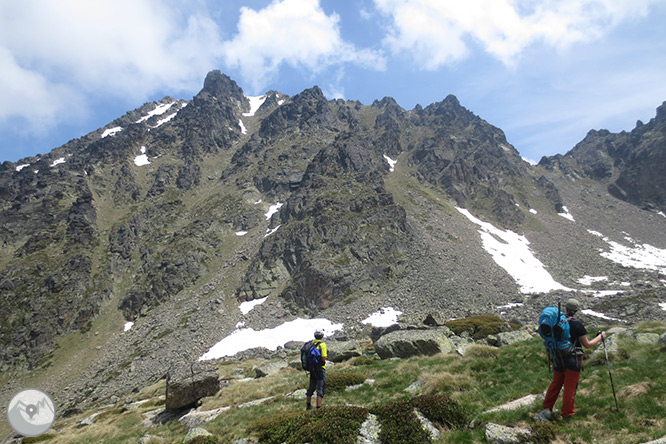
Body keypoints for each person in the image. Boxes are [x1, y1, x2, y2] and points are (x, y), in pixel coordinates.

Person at [536, 298, 606, 421]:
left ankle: (547, 408)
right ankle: (567, 414)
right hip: (573, 359)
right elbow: (587, 344)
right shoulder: (577, 324)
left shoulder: (558, 322)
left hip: (558, 358)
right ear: (576, 310)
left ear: (566, 308)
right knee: (570, 387)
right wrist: (601, 337)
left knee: (556, 383)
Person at [306, 329, 327, 410]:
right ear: (322, 336)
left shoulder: (311, 344)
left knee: (311, 387)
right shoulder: (322, 345)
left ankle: (308, 405)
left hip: (312, 369)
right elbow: (323, 358)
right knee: (320, 388)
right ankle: (318, 408)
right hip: (320, 369)